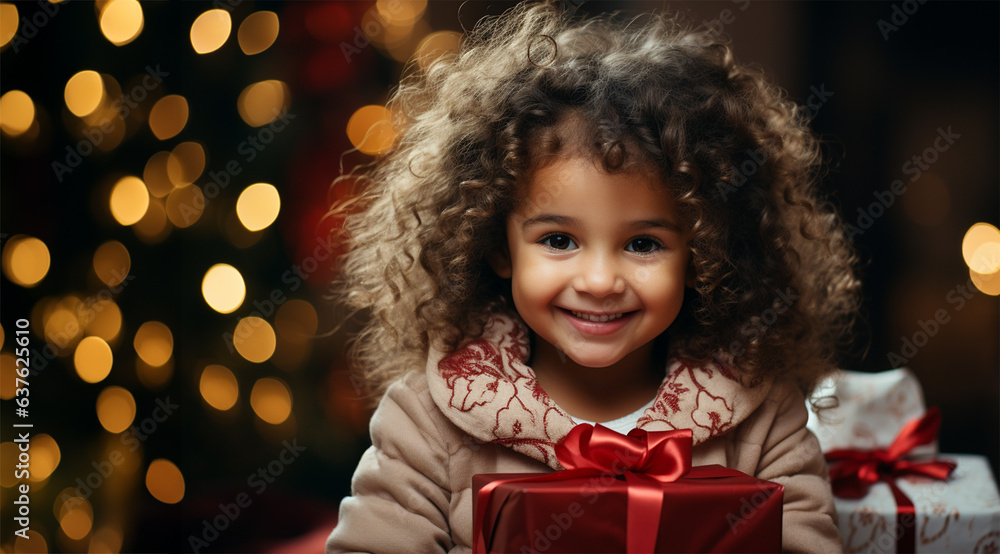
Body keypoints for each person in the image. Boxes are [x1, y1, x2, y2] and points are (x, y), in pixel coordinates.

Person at [327, 2, 860, 552]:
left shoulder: (761, 414)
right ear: (498, 247)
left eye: (643, 244)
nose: (601, 281)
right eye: (559, 240)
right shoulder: (426, 419)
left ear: (704, 255)